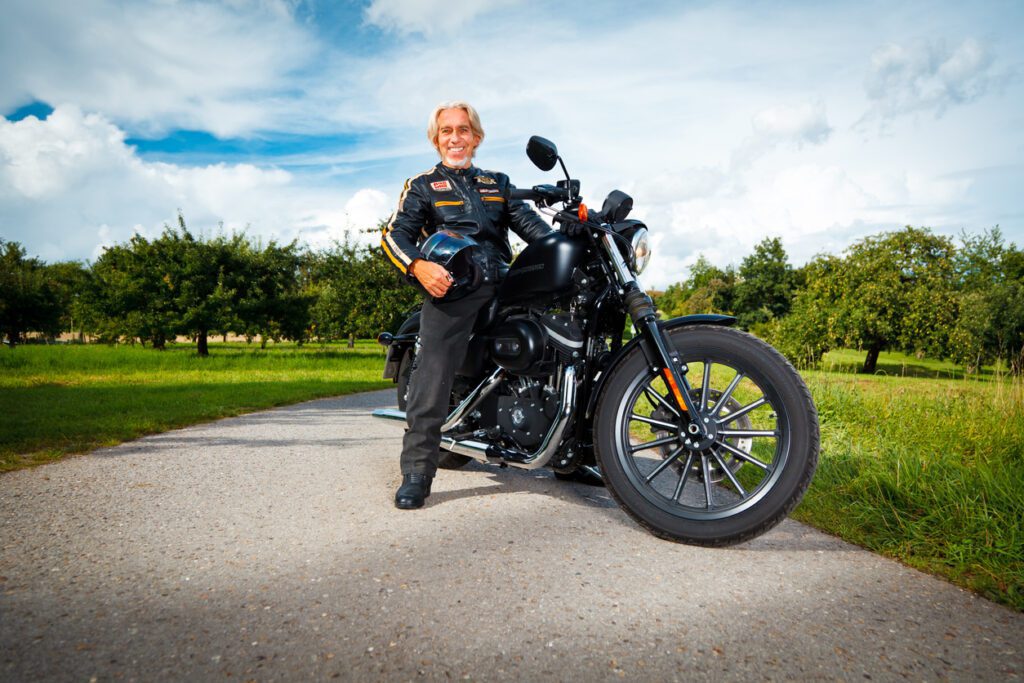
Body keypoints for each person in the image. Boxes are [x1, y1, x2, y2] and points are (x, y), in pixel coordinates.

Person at [381, 101, 552, 509]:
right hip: (456, 284)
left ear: (476, 138)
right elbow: (394, 235)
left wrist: (563, 241)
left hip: (506, 281)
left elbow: (533, 229)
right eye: (446, 131)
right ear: (436, 139)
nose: (455, 138)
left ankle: (570, 453)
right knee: (435, 365)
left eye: (463, 130)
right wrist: (419, 267)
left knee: (562, 342)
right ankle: (418, 471)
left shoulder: (498, 182)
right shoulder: (423, 185)